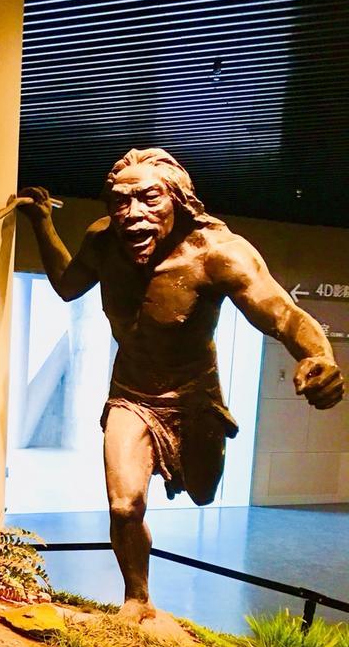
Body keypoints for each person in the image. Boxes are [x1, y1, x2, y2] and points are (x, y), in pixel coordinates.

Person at [19, 148, 344, 623]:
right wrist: (42, 223)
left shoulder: (218, 253)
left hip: (195, 399)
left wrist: (318, 355)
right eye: (120, 201)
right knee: (124, 505)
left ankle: (194, 467)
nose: (132, 214)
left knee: (203, 492)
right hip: (131, 392)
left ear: (178, 200)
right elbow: (69, 285)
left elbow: (282, 314)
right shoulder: (103, 242)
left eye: (148, 198)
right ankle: (137, 599)